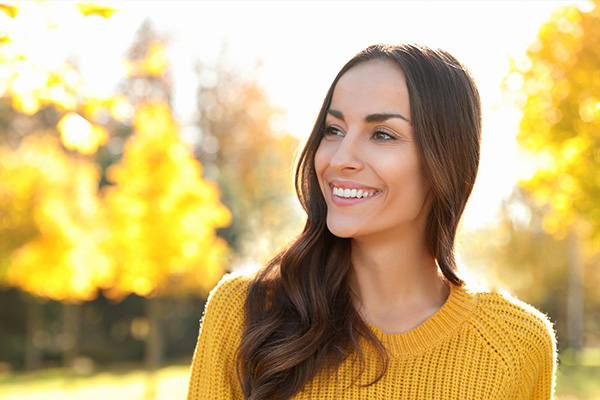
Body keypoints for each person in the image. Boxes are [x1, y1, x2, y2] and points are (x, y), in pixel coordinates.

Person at [186, 43, 557, 400]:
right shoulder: (245, 314)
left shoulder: (517, 345)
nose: (340, 158)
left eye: (382, 134)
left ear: (445, 161)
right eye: (334, 130)